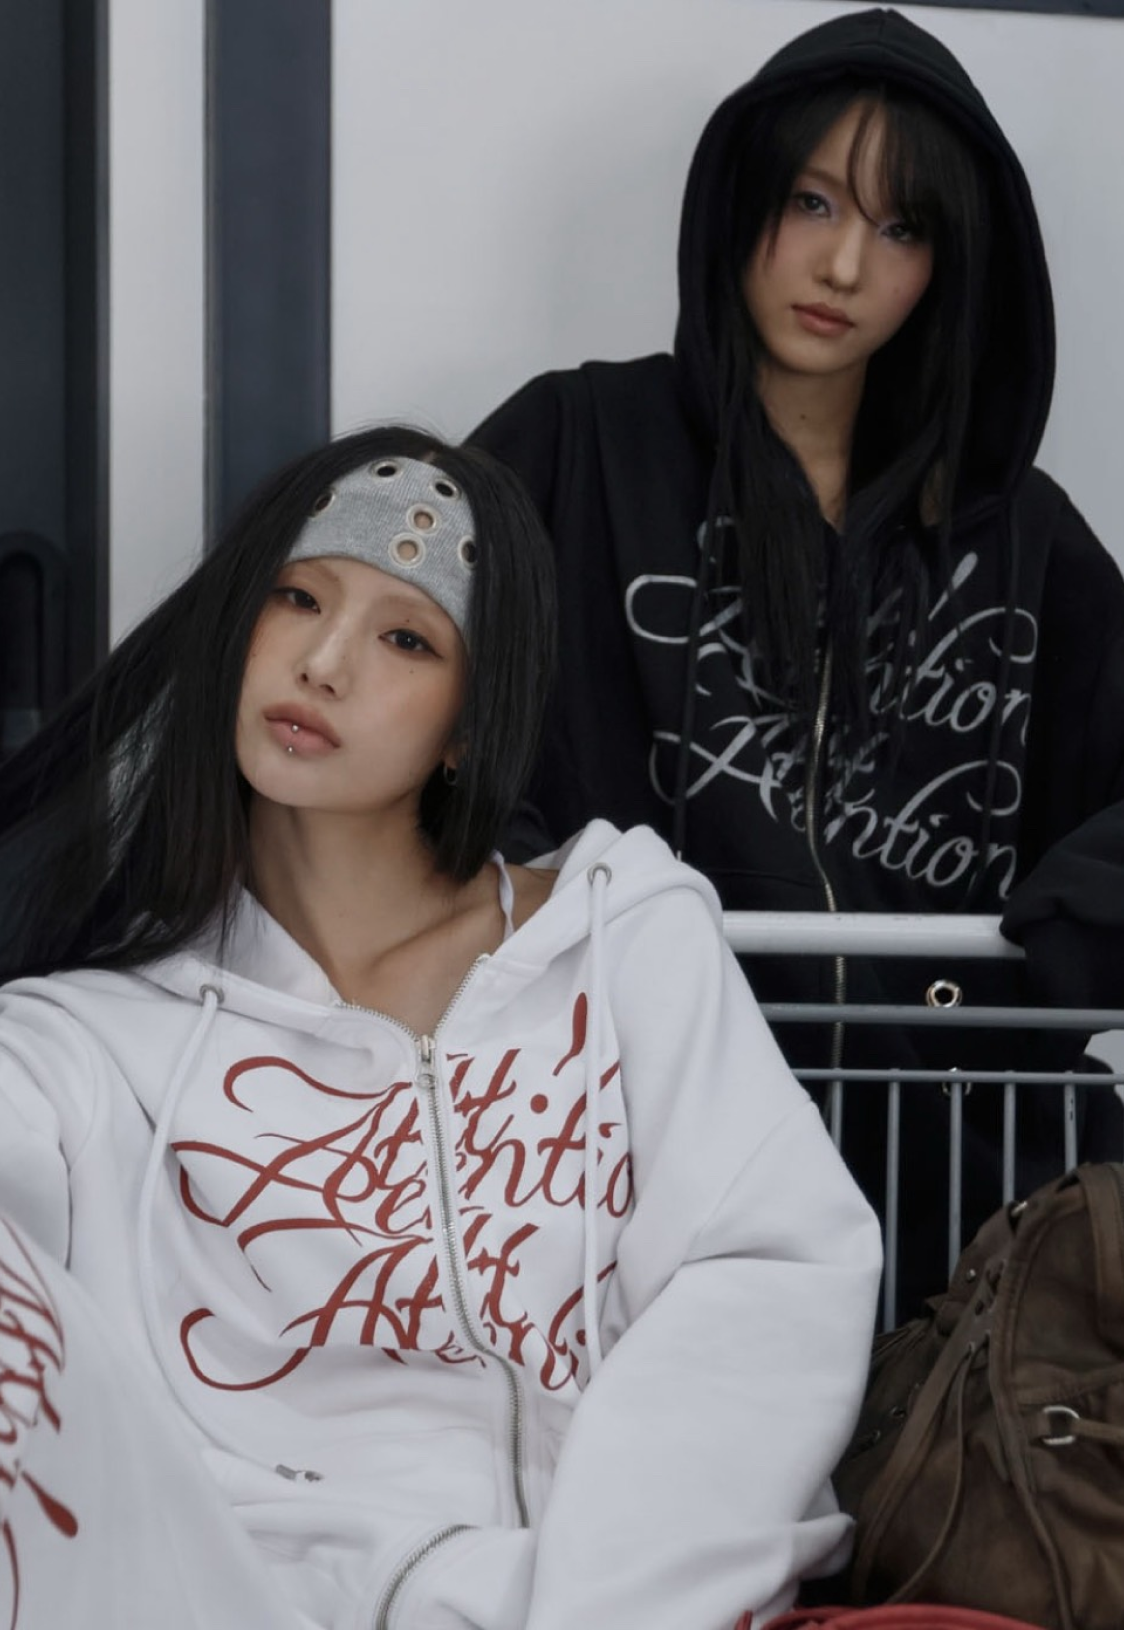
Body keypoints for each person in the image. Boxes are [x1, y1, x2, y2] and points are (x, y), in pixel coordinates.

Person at [0, 425, 880, 1630]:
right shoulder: (93, 1042)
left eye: (407, 638)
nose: (323, 663)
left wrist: (602, 1610)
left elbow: (768, 1277)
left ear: (470, 721)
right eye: (297, 598)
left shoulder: (624, 939)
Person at [470, 6, 1124, 1304]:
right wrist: (562, 907)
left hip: (962, 1216)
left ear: (948, 268)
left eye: (901, 228)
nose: (845, 265)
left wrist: (1066, 940)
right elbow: (413, 702)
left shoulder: (1013, 533)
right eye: (813, 202)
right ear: (742, 199)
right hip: (637, 1184)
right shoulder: (580, 445)